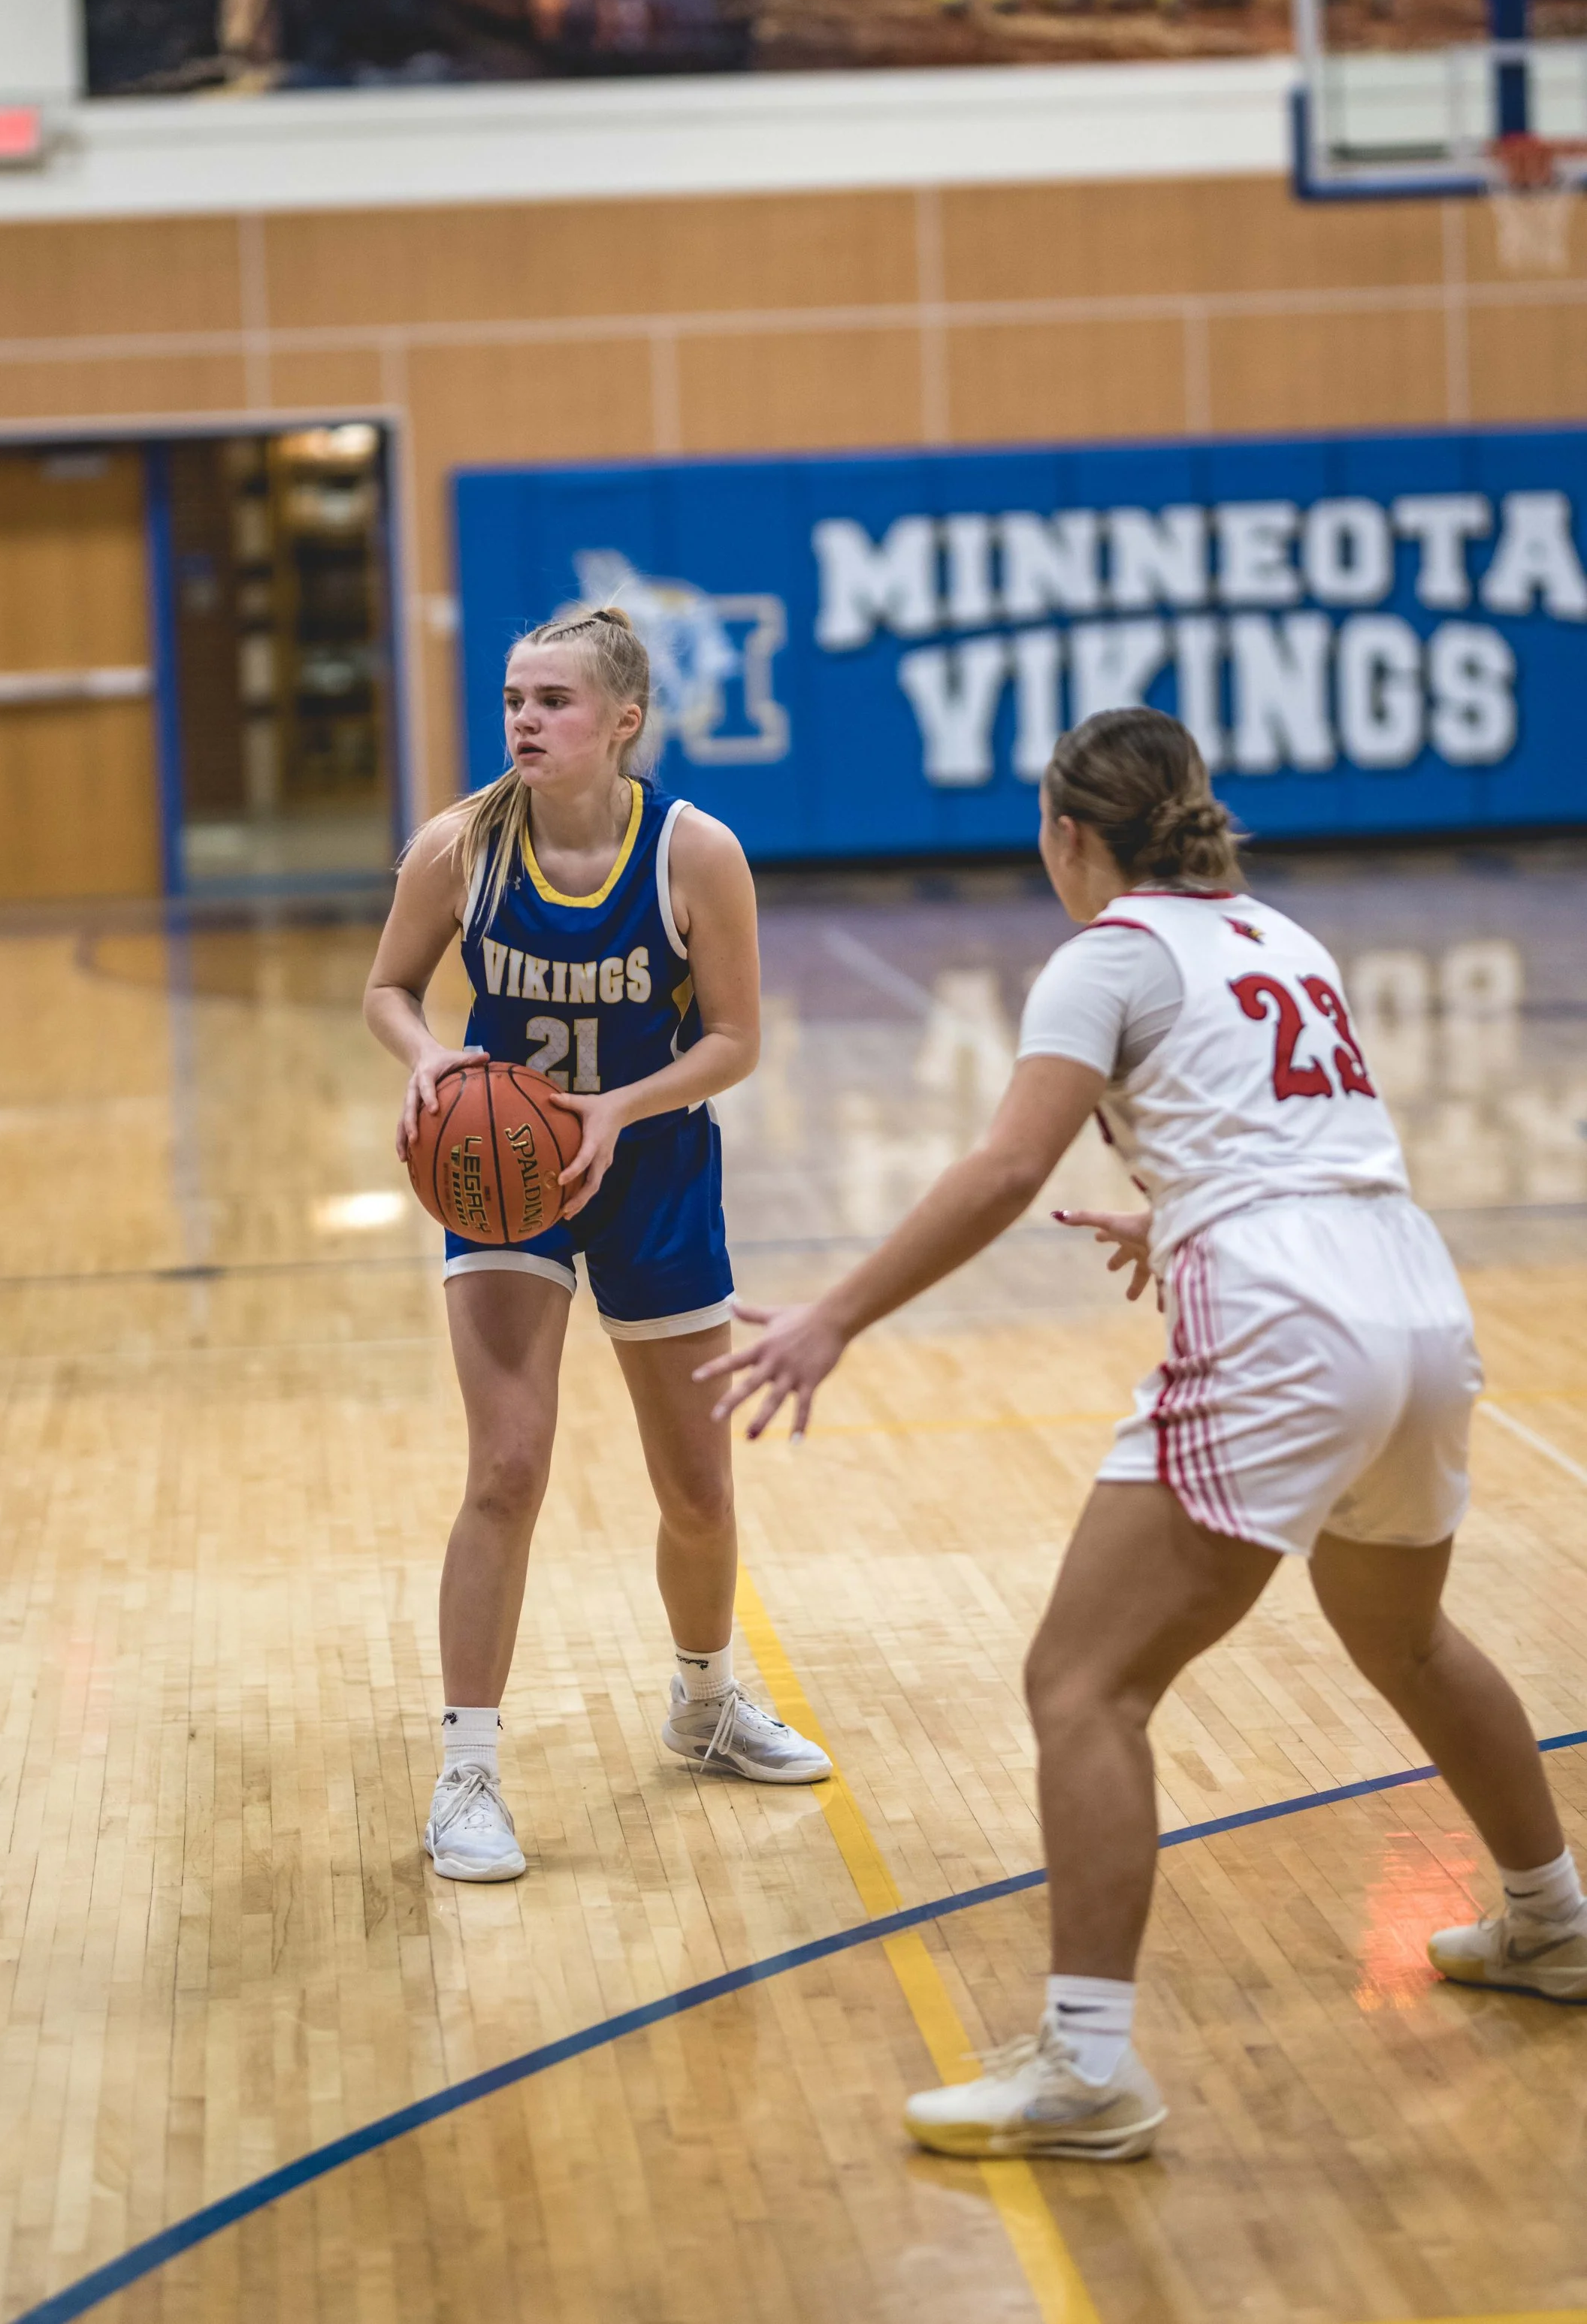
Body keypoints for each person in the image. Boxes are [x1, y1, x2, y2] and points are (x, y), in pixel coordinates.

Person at [703, 706, 1585, 2162]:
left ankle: (1085, 2068)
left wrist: (835, 1315)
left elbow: (1000, 1169)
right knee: (1407, 1639)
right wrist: (1171, 1213)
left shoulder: (1101, 955)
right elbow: (1288, 1142)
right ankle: (1552, 1920)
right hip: (1413, 1298)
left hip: (1281, 1317)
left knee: (1081, 1683)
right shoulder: (1278, 939)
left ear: (1065, 834)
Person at [364, 605, 829, 1884]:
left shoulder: (697, 853)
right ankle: (465, 1773)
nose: (525, 718)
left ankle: (704, 1700)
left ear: (625, 722)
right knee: (507, 1468)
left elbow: (734, 1039)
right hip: (506, 1182)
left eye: (556, 700)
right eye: (515, 697)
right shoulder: (458, 847)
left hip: (654, 1169)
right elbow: (388, 988)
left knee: (696, 1488)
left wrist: (621, 1110)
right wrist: (430, 1059)